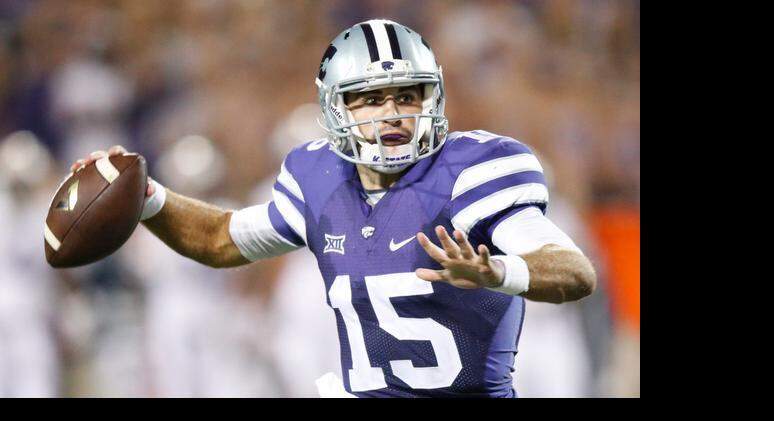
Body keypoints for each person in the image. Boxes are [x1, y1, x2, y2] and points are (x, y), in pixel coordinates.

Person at [70, 19, 596, 398]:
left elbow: (574, 271)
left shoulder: (476, 170)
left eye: (408, 95)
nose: (391, 113)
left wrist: (498, 270)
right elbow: (220, 239)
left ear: (432, 100)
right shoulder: (316, 177)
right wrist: (148, 199)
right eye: (369, 99)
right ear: (334, 108)